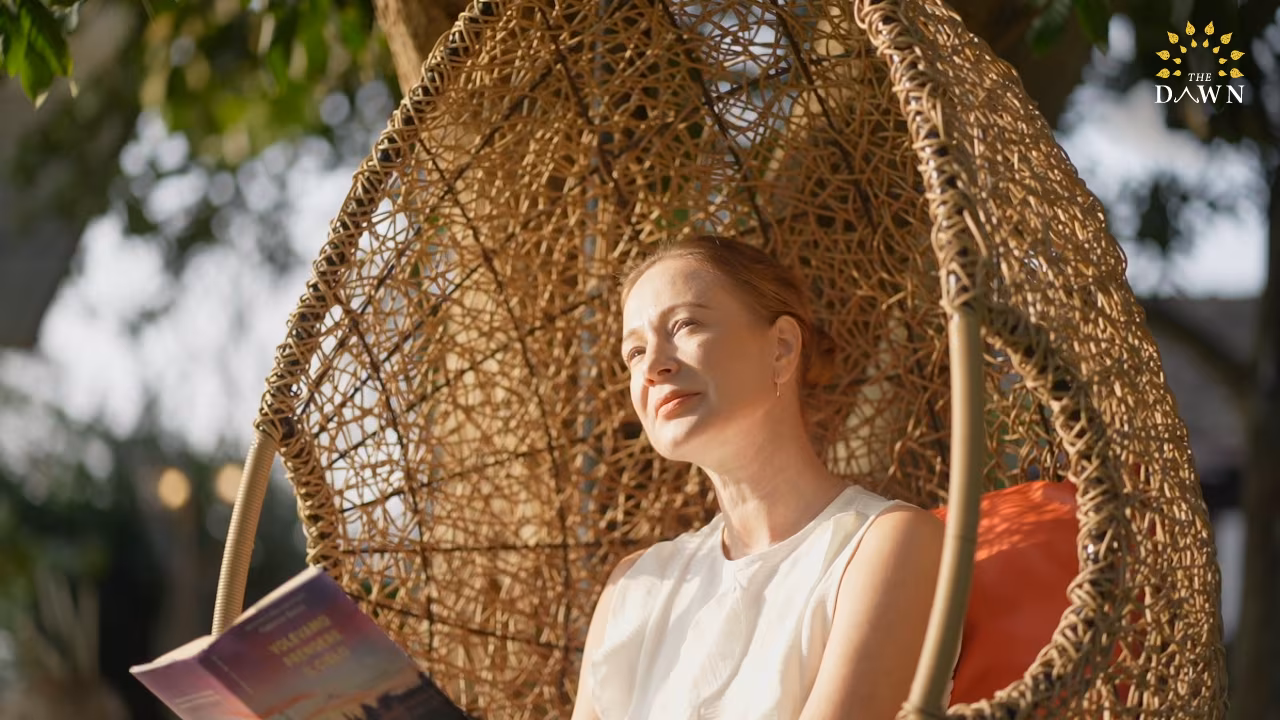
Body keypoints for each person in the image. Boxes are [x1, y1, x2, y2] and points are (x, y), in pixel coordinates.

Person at [569, 235, 949, 720]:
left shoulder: (884, 546)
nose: (653, 367)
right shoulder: (634, 586)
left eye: (685, 324)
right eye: (634, 352)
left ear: (782, 348)